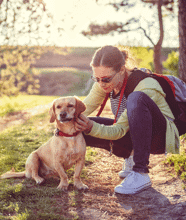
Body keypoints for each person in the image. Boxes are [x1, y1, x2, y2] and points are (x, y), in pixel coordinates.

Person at [75, 45, 180, 195]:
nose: (101, 83)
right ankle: (130, 155)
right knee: (78, 125)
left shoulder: (146, 85)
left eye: (105, 79)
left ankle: (140, 172)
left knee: (136, 99)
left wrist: (92, 127)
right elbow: (82, 108)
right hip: (131, 132)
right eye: (96, 78)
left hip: (159, 137)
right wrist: (66, 119)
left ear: (122, 70)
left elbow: (118, 131)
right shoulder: (104, 83)